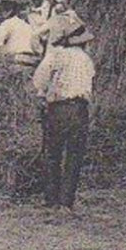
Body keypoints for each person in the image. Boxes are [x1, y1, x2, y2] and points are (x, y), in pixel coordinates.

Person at [31, 13, 96, 211]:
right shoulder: (86, 60)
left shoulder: (55, 56)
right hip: (78, 109)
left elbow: (38, 81)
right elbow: (90, 88)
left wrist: (44, 93)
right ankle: (67, 201)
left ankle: (52, 200)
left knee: (52, 154)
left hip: (57, 109)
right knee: (74, 155)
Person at [0, 0, 42, 65]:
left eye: (0, 11)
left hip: (23, 59)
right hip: (24, 59)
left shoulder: (8, 23)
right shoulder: (20, 24)